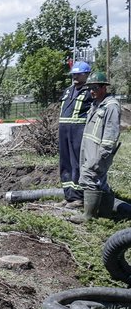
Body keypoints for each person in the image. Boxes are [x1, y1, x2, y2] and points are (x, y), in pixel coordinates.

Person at [77, 72, 120, 219]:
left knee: (89, 176)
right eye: (90, 88)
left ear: (104, 88)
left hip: (100, 151)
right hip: (89, 149)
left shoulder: (111, 106)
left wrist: (103, 154)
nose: (91, 91)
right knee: (99, 180)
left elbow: (111, 132)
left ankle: (89, 216)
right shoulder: (96, 104)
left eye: (95, 87)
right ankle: (105, 214)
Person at [58, 60, 94, 204]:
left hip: (78, 131)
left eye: (79, 74)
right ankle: (68, 195)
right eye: (74, 74)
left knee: (77, 162)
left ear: (86, 75)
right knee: (65, 162)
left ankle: (78, 196)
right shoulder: (68, 90)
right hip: (64, 130)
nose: (75, 77)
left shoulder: (90, 91)